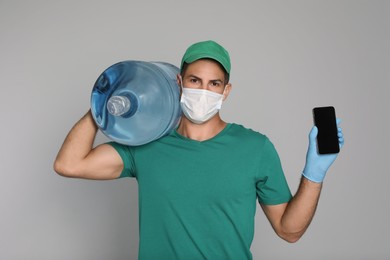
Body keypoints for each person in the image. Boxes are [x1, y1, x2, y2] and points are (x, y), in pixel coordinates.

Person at [54, 40, 344, 260]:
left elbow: (288, 231)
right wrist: (103, 102)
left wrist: (313, 175)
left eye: (213, 84)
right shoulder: (147, 144)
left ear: (226, 91)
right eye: (195, 81)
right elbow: (69, 164)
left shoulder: (255, 148)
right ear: (179, 83)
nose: (203, 91)